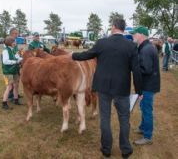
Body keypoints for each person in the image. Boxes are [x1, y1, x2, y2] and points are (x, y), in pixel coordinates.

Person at [67, 19, 142, 159]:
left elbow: (86, 55)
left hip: (104, 87)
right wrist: (139, 91)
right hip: (122, 87)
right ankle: (125, 149)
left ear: (113, 27)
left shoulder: (102, 42)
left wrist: (72, 55)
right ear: (123, 29)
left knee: (105, 118)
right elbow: (136, 70)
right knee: (124, 119)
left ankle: (106, 148)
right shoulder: (131, 46)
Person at [130, 26, 161, 145]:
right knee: (143, 107)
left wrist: (133, 68)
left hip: (148, 85)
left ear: (141, 35)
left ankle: (147, 136)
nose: (133, 36)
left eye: (134, 34)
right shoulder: (145, 47)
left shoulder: (146, 49)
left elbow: (146, 69)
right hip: (147, 84)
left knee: (147, 110)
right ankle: (143, 128)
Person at [1, 37, 23, 109]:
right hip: (8, 72)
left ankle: (16, 100)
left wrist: (24, 59)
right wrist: (15, 62)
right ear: (9, 43)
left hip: (14, 70)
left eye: (15, 42)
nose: (15, 43)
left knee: (16, 85)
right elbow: (5, 61)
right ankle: (4, 103)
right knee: (9, 87)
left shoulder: (13, 50)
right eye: (14, 42)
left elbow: (18, 58)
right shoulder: (5, 51)